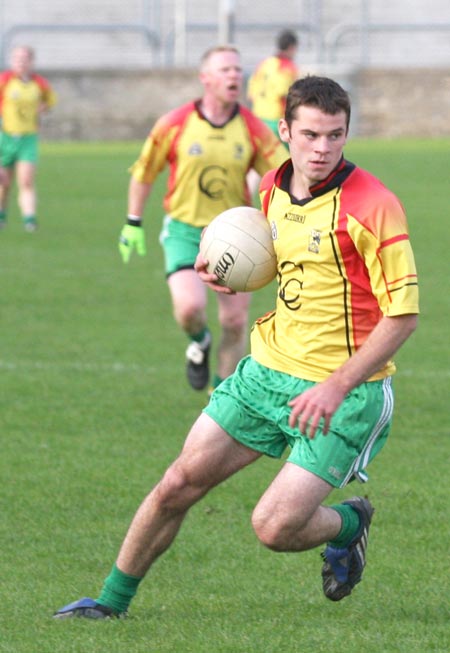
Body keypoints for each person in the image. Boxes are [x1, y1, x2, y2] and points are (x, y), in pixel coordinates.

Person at [53, 75, 419, 620]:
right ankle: (109, 603)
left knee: (273, 527)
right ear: (285, 131)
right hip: (265, 373)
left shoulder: (373, 204)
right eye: (311, 135)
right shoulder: (271, 187)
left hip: (344, 392)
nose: (322, 149)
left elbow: (404, 315)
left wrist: (334, 385)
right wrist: (227, 273)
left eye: (336, 136)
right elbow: (282, 266)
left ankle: (349, 522)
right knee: (177, 482)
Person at [118, 45, 287, 393]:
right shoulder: (175, 123)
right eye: (225, 70)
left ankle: (222, 396)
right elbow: (144, 172)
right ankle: (199, 341)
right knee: (190, 309)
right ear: (205, 78)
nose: (234, 76)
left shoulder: (253, 128)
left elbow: (285, 175)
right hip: (184, 230)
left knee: (236, 320)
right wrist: (133, 221)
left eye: (238, 70)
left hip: (238, 235)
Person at [0, 45, 57, 231]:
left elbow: (50, 101)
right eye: (17, 58)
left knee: (26, 180)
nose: (20, 62)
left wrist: (42, 109)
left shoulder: (38, 83)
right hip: (6, 136)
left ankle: (29, 220)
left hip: (28, 138)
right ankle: (2, 215)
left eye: (24, 58)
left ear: (31, 61)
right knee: (4, 182)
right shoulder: (5, 81)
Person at [247, 29, 299, 139]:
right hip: (276, 120)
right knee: (284, 155)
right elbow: (286, 95)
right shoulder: (287, 67)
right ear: (292, 47)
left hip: (258, 116)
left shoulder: (265, 63)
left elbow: (251, 93)